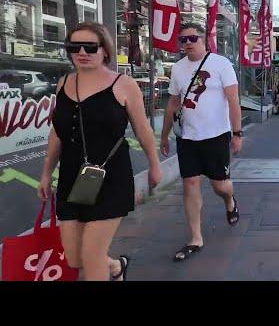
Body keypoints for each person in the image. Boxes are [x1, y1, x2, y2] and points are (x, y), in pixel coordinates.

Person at [37, 22, 162, 281]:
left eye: (90, 47)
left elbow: (142, 129)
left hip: (110, 175)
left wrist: (154, 164)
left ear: (105, 50)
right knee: (74, 257)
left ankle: (107, 269)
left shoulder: (124, 85)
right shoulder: (64, 83)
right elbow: (57, 132)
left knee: (92, 257)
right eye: (74, 47)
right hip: (73, 176)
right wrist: (46, 172)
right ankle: (116, 268)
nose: (82, 52)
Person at [160, 23, 242, 262]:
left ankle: (229, 200)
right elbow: (173, 103)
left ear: (204, 39)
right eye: (182, 40)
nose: (187, 44)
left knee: (220, 186)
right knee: (190, 183)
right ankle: (195, 237)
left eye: (192, 38)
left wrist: (237, 133)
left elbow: (234, 101)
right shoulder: (177, 68)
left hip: (216, 135)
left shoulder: (221, 64)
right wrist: (164, 135)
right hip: (187, 136)